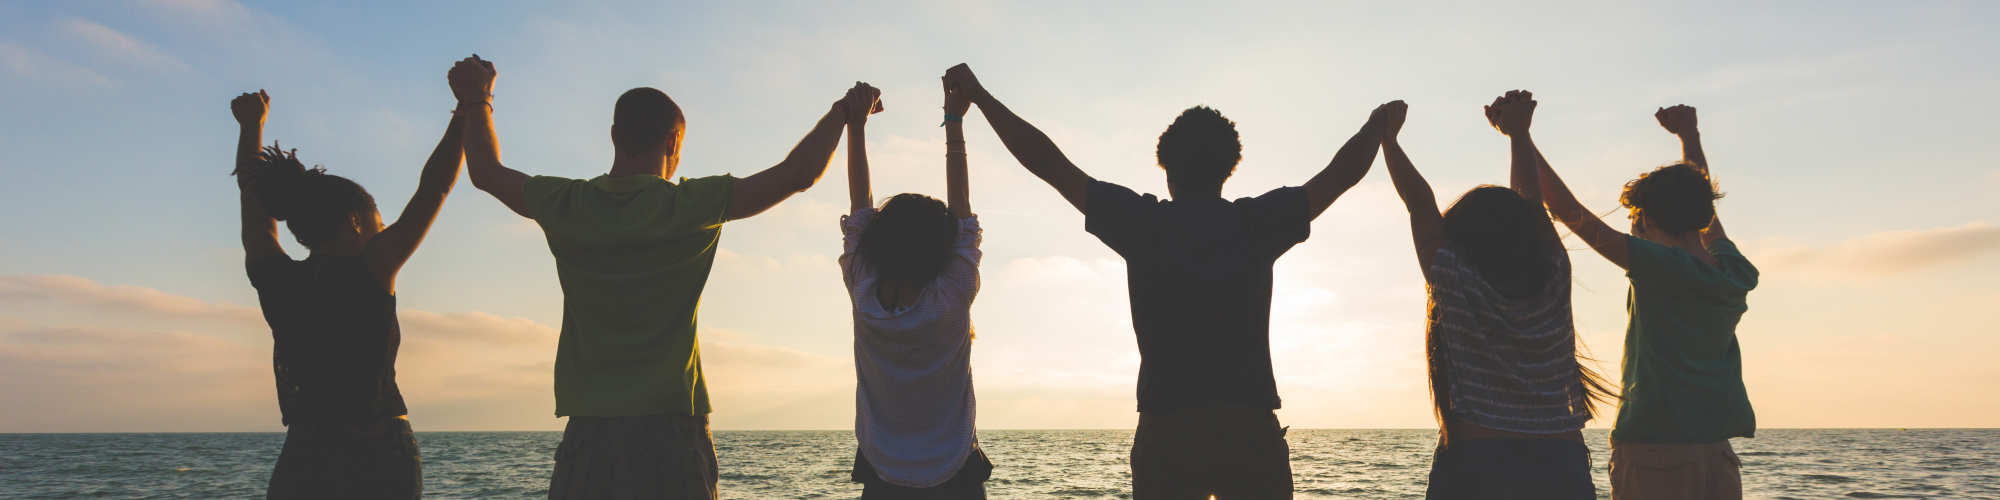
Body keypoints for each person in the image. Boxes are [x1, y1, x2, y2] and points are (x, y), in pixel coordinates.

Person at [941, 63, 1386, 499]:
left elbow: (1047, 162)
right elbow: (1341, 173)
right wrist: (1378, 126)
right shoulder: (1257, 223)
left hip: (1169, 431)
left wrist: (979, 98)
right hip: (1249, 428)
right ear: (1229, 167)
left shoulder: (1144, 223)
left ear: (1166, 166)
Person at [443, 55, 878, 499]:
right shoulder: (689, 205)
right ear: (673, 141)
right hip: (671, 427)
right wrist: (842, 114)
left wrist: (478, 98)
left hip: (588, 431)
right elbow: (799, 175)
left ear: (614, 136)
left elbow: (485, 172)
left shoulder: (565, 203)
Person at [1376, 94, 1616, 499]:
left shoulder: (1452, 276)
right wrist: (1518, 133)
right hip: (1561, 459)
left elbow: (1419, 202)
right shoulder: (1555, 274)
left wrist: (1388, 139)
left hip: (1477, 459)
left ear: (1459, 236)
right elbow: (1530, 204)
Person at [232, 88, 464, 500]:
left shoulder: (274, 278)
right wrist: (471, 104)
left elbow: (253, 205)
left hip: (304, 450)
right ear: (356, 221)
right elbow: (436, 188)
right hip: (375, 449)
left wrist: (251, 127)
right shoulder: (372, 268)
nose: (382, 230)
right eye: (378, 221)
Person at [1534, 103, 1758, 500]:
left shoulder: (1659, 265)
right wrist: (1689, 136)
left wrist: (1521, 137)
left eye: (1634, 222)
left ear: (1649, 221)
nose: (1633, 231)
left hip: (1657, 446)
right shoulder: (1733, 270)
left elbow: (1569, 212)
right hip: (1717, 453)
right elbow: (1704, 208)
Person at [837, 77, 992, 498]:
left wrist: (857, 125)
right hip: (955, 475)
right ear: (940, 250)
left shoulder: (864, 291)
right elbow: (963, 215)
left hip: (882, 477)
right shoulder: (952, 296)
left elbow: (860, 209)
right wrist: (953, 120)